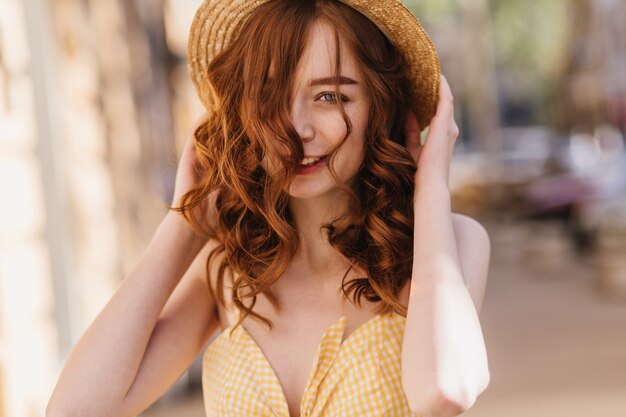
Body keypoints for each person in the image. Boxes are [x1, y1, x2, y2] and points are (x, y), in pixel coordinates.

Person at [47, 1, 491, 417]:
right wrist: (186, 224)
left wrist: (430, 187)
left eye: (330, 96)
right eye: (269, 95)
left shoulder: (448, 246)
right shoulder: (227, 267)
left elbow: (443, 390)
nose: (294, 130)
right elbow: (74, 410)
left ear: (381, 106)